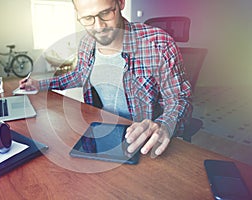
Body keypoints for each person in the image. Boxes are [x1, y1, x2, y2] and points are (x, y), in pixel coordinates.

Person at [20, 0, 192, 158]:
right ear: (78, 14)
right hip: (103, 133)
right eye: (87, 18)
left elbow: (179, 99)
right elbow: (80, 75)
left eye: (106, 13)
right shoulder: (87, 43)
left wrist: (163, 126)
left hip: (145, 143)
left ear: (121, 3)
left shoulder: (158, 43)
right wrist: (40, 84)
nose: (99, 26)